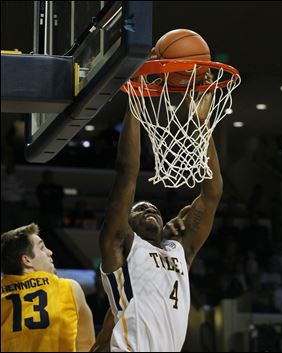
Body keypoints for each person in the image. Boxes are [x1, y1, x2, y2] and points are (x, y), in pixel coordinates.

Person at [95, 71, 223, 352]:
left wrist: (202, 125)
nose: (149, 209)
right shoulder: (121, 247)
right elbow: (127, 173)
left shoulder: (180, 250)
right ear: (125, 224)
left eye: (153, 207)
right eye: (139, 209)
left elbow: (211, 195)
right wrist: (136, 101)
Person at [1, 223, 95, 352]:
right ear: (27, 260)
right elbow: (87, 344)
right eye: (42, 248)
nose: (49, 252)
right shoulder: (69, 288)